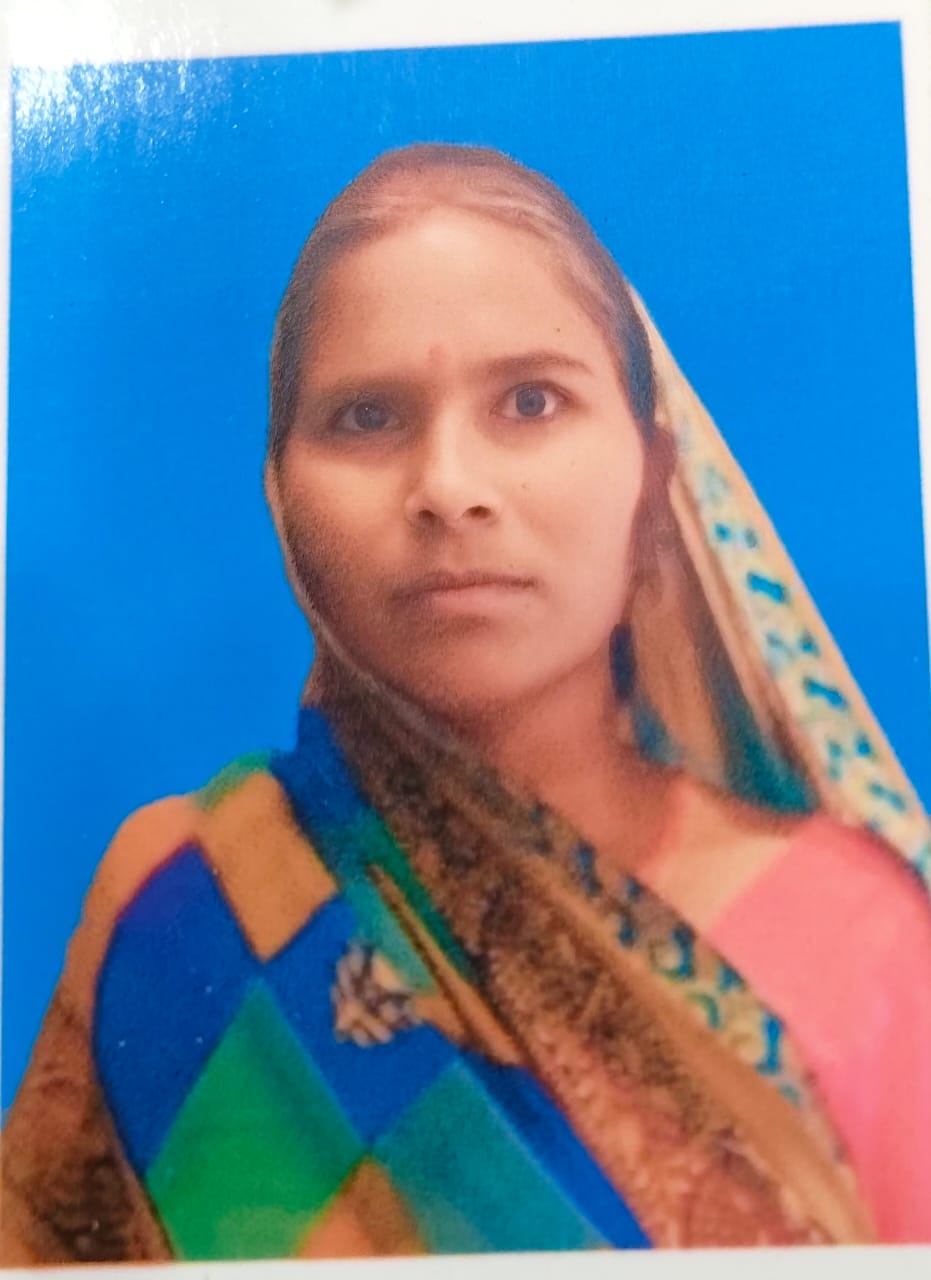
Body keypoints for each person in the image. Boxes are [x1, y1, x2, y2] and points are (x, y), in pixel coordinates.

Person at [3, 143, 931, 1264]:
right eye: (367, 417)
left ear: (653, 484)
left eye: (531, 401)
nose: (448, 487)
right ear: (281, 499)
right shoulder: (185, 904)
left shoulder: (863, 939)